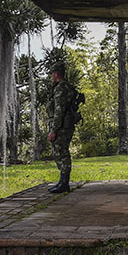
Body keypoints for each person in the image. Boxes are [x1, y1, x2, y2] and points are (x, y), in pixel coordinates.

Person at [46, 62, 81, 194]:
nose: (51, 76)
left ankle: (64, 183)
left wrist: (54, 130)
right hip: (66, 124)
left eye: (51, 73)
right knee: (60, 152)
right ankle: (62, 182)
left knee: (61, 153)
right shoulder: (67, 86)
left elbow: (59, 111)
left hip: (62, 126)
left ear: (56, 74)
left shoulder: (61, 88)